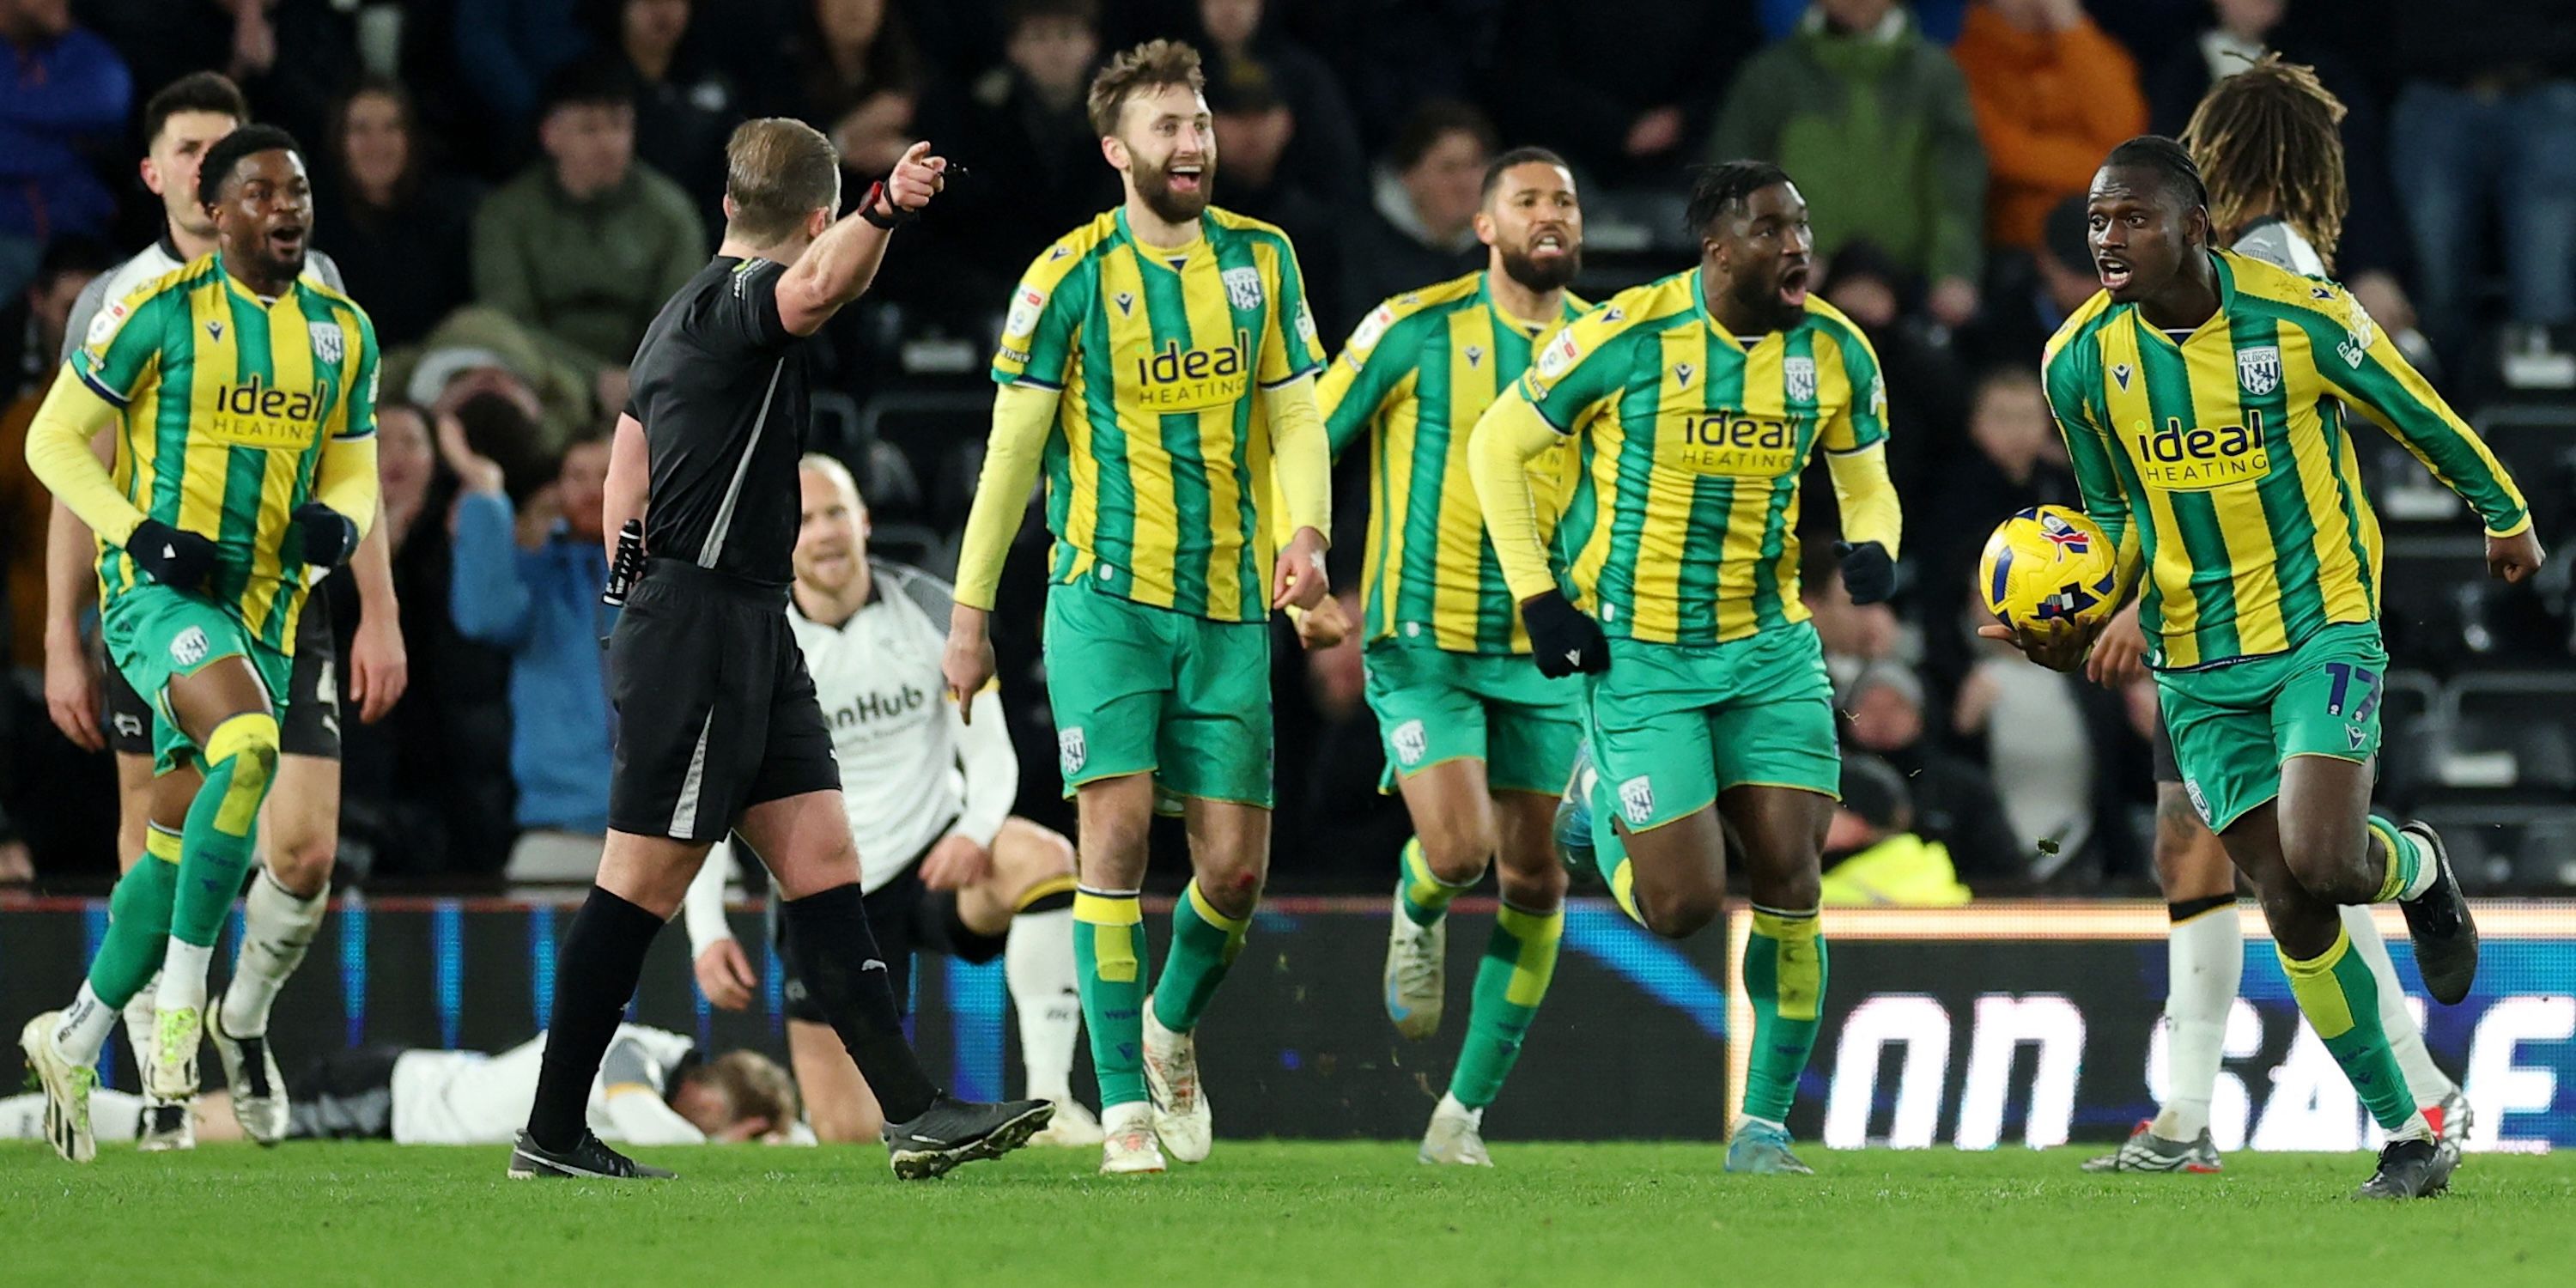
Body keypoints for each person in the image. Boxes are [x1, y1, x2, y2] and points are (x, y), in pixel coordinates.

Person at [511, 117, 1048, 1183]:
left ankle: (913, 1112)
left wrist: (629, 591)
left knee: (821, 860)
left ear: (724, 202)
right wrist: (884, 206)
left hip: (741, 621)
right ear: (815, 222)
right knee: (641, 879)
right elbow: (811, 294)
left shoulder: (675, 319)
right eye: (836, 224)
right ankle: (552, 1132)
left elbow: (628, 463)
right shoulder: (744, 301)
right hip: (707, 624)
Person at [2008, 136, 2540, 1199]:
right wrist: (2076, 606)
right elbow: (2113, 514)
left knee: (2332, 862)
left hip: (2319, 629)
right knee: (2288, 901)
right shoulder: (2078, 360)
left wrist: (2505, 511)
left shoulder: (2300, 319)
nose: (2110, 239)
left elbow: (2418, 409)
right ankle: (2407, 1133)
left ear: (2196, 226)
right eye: (2099, 222)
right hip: (2195, 664)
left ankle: (2420, 869)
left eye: (2135, 218)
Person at [942, 39, 1334, 1176]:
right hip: (1103, 600)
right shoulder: (1065, 277)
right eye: (1167, 126)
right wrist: (971, 615)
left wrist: (1302, 534)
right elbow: (1012, 455)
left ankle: (1167, 1031)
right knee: (1108, 841)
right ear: (1117, 149)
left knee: (1234, 876)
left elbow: (1298, 416)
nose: (1192, 142)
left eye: (1199, 122)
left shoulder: (1264, 261)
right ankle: (1121, 1114)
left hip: (1227, 610)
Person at [1469, 161, 1904, 1175]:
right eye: (1771, 231)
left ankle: (1762, 1127)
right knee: (1683, 907)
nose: (1797, 247)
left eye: (1802, 227)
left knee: (1795, 875)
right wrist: (1539, 598)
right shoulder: (1629, 336)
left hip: (1769, 652)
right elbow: (1498, 445)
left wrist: (1873, 543)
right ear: (1717, 248)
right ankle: (1598, 808)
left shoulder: (1836, 350)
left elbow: (1867, 484)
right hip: (1644, 657)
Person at [41, 74, 407, 1153]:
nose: (286, 209)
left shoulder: (338, 322)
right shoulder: (131, 305)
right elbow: (62, 452)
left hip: (278, 605)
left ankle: (89, 1031)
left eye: (299, 193)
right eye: (261, 190)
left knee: (232, 845)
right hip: (159, 595)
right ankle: (176, 1039)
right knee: (242, 754)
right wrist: (110, 569)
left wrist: (353, 557)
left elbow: (355, 471)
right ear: (190, 186)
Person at [681, 454, 1097, 1147]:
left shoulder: (932, 611)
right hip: (826, 890)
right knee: (849, 1136)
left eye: (836, 513)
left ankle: (1053, 1098)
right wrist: (708, 930)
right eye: (804, 519)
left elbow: (991, 749)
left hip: (936, 854)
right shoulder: (758, 643)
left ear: (865, 522)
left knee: (1047, 859)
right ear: (781, 536)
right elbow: (716, 795)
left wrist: (976, 828)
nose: (824, 533)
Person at [1309, 146, 1587, 1165]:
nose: (1549, 213)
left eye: (1564, 200)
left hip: (1546, 653)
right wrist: (1299, 554)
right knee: (1461, 853)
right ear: (1486, 226)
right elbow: (1312, 433)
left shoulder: (1606, 346)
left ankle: (1460, 1117)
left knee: (1536, 880)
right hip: (1422, 641)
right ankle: (1419, 897)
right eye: (1527, 199)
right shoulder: (1413, 328)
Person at [4, 1026, 801, 1147]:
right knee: (184, 1130)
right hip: (388, 1098)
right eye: (719, 1118)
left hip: (400, 1087)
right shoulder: (636, 1052)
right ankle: (33, 1115)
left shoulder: (651, 1062)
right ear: (709, 1093)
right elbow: (637, 1113)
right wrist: (720, 1148)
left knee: (184, 1127)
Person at [1710, 0, 1986, 329]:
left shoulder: (1935, 78)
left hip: (1912, 294)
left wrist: (1954, 272)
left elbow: (1957, 189)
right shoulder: (1771, 76)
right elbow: (1733, 187)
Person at [440, 413, 615, 879]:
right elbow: (483, 616)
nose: (591, 489)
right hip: (561, 832)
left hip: (678, 834)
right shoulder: (537, 577)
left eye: (607, 473)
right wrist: (485, 495)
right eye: (576, 476)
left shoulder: (677, 579)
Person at [471, 57, 708, 378]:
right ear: (550, 135)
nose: (608, 144)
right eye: (589, 129)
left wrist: (636, 381)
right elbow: (507, 324)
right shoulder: (507, 214)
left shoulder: (671, 214)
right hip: (542, 377)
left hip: (650, 379)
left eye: (618, 126)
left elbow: (680, 323)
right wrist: (595, 377)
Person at [1948, 0, 2149, 253]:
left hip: (2116, 233)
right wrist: (2117, 171)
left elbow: (2125, 129)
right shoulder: (1965, 65)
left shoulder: (2089, 48)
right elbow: (2009, 155)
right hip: (2024, 247)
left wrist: (2070, 27)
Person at [313, 76, 482, 350]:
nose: (376, 144)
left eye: (391, 128)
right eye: (361, 129)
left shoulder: (446, 218)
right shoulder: (312, 226)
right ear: (339, 141)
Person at [0, 0, 127, 300]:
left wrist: (9, 116)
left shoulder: (83, 51)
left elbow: (108, 102)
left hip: (87, 244)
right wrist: (68, 142)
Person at [1338, 101, 1495, 336]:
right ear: (1409, 178)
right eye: (1449, 169)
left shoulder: (1509, 248)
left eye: (1474, 166)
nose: (1465, 183)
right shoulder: (1366, 253)